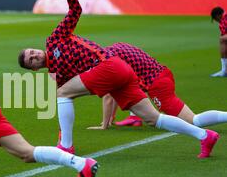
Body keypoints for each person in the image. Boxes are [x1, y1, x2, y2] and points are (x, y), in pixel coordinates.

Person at [18, 0, 219, 159]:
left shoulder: (54, 40)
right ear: (35, 68)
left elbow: (76, 11)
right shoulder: (58, 75)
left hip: (108, 66)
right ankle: (204, 135)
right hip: (117, 73)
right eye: (31, 59)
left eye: (32, 52)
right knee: (153, 119)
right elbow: (65, 105)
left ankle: (66, 147)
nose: (34, 55)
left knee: (62, 94)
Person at [88, 43, 227, 143]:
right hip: (163, 74)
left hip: (157, 84)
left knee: (194, 120)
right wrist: (110, 118)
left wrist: (104, 125)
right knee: (133, 88)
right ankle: (134, 117)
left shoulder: (107, 61)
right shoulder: (116, 47)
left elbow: (108, 96)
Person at [210, 7, 227, 77]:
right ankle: (225, 70)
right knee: (223, 39)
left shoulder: (225, 18)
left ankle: (224, 70)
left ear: (217, 16)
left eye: (215, 19)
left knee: (222, 39)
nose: (216, 21)